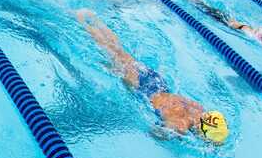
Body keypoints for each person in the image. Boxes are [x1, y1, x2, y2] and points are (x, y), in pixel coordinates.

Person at [76, 10, 229, 143]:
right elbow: (155, 133)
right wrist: (175, 136)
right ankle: (82, 21)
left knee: (121, 53)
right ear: (204, 134)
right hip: (141, 90)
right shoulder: (182, 125)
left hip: (157, 82)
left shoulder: (199, 108)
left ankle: (95, 20)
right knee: (113, 53)